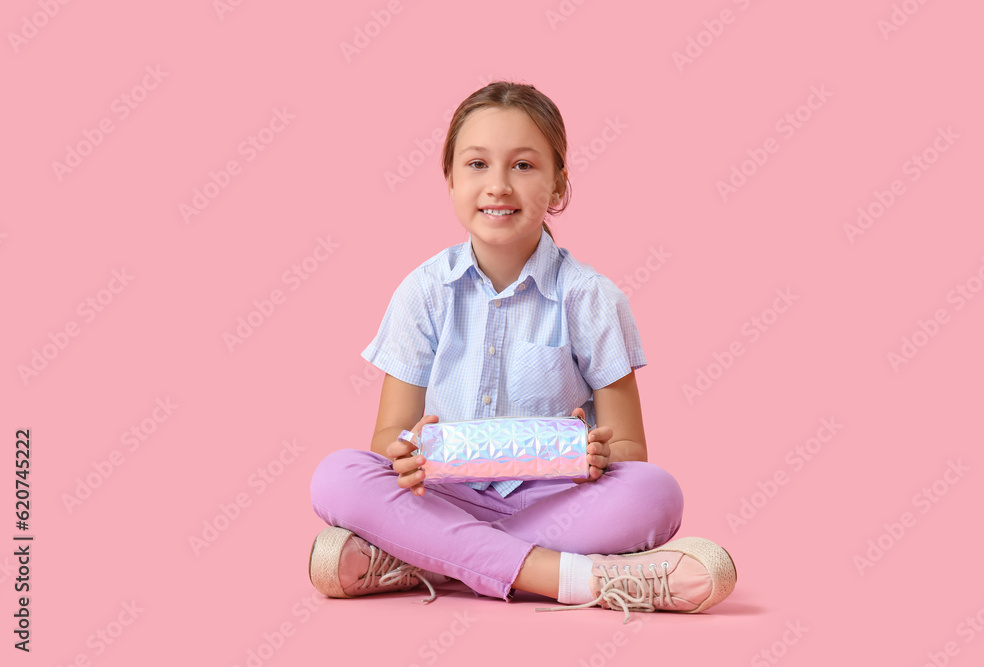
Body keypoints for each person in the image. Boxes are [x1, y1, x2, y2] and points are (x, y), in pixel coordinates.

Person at [308, 81, 736, 623]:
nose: (499, 185)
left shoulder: (592, 299)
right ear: (451, 179)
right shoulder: (423, 291)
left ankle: (420, 559)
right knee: (338, 474)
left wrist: (599, 458)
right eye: (478, 164)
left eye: (524, 166)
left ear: (558, 184)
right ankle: (580, 578)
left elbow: (630, 447)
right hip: (444, 498)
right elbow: (387, 439)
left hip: (553, 504)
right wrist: (406, 454)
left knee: (656, 494)